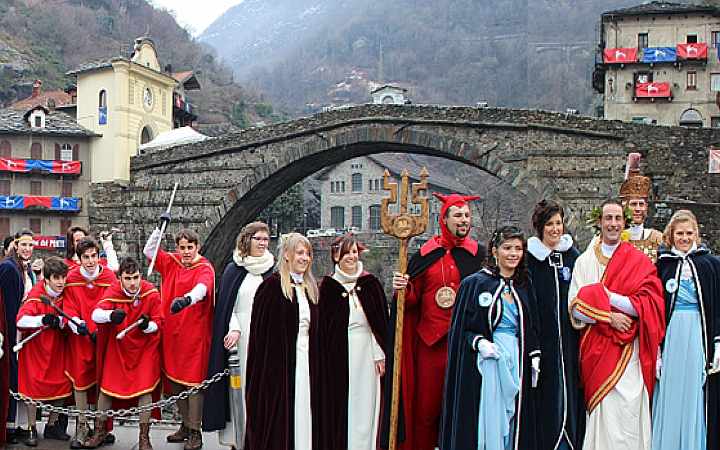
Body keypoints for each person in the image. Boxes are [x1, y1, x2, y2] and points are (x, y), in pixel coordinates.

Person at [383, 193, 486, 450]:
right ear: (444, 219)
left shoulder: (478, 256)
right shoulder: (426, 254)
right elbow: (412, 300)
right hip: (430, 345)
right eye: (458, 215)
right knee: (426, 409)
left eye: (467, 215)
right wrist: (403, 289)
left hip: (465, 345)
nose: (464, 220)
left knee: (463, 406)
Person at [568, 198, 665, 450]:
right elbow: (576, 309)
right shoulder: (584, 262)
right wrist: (609, 316)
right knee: (604, 409)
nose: (612, 223)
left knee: (630, 410)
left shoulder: (639, 261)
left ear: (624, 223)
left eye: (617, 218)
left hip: (630, 349)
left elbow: (648, 306)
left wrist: (607, 297)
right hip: (597, 349)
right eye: (608, 218)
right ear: (599, 222)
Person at [440, 225, 540, 450]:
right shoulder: (474, 284)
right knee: (490, 415)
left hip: (517, 357)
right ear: (495, 251)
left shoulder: (524, 284)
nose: (513, 254)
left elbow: (533, 325)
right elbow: (461, 329)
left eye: (518, 248)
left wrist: (534, 354)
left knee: (515, 414)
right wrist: (479, 342)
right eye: (507, 248)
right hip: (489, 361)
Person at [244, 233, 321, 450]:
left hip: (307, 364)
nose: (305, 258)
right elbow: (260, 339)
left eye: (308, 254)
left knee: (305, 415)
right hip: (279, 371)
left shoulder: (312, 289)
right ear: (287, 255)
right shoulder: (271, 289)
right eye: (300, 253)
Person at [652, 210, 720, 450]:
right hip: (671, 335)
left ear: (696, 234)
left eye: (689, 233)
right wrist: (656, 348)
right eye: (680, 233)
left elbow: (717, 304)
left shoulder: (710, 264)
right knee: (670, 388)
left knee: (693, 390)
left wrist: (717, 342)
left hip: (697, 334)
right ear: (671, 235)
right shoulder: (663, 266)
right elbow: (654, 307)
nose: (684, 238)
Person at [144, 221, 214, 450]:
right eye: (182, 247)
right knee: (176, 384)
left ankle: (196, 431)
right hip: (172, 335)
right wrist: (159, 229)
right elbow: (149, 252)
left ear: (197, 247)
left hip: (194, 336)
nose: (185, 252)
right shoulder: (172, 262)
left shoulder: (204, 268)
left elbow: (202, 289)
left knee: (193, 385)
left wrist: (187, 300)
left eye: (189, 248)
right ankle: (184, 424)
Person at [203, 222, 274, 445]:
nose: (263, 243)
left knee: (264, 386)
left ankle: (262, 434)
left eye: (265, 239)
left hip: (266, 336)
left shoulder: (272, 269)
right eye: (258, 239)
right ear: (247, 240)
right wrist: (234, 328)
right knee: (240, 386)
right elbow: (227, 307)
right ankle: (239, 437)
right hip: (241, 336)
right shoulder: (234, 270)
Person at [82, 257, 162, 450]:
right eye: (128, 278)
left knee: (145, 390)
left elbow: (159, 322)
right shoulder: (114, 291)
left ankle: (144, 436)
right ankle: (100, 431)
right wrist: (110, 315)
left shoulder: (150, 292)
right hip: (118, 350)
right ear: (120, 279)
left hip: (143, 350)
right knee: (107, 389)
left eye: (135, 277)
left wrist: (147, 326)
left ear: (140, 276)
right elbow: (95, 314)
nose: (133, 283)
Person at [318, 234, 389, 450]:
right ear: (336, 256)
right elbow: (323, 327)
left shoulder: (370, 284)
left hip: (367, 351)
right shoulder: (328, 287)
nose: (351, 257)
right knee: (343, 403)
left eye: (355, 252)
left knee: (367, 402)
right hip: (339, 352)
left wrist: (379, 353)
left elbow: (380, 325)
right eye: (347, 253)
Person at [526, 200, 584, 450]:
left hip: (571, 339)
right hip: (543, 340)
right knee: (546, 393)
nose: (555, 229)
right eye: (549, 224)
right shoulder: (529, 259)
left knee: (572, 390)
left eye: (558, 223)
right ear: (540, 227)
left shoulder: (572, 255)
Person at [63, 237, 117, 448]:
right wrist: (77, 324)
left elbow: (115, 302)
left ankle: (101, 427)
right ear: (79, 258)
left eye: (94, 256)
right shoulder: (72, 278)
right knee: (81, 382)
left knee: (104, 381)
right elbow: (68, 307)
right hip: (81, 337)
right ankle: (82, 426)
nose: (91, 261)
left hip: (104, 337)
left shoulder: (109, 276)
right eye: (86, 257)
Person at [15, 257, 73, 447]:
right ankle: (32, 427)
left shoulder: (65, 294)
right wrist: (43, 320)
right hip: (36, 350)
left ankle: (52, 425)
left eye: (63, 277)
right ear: (46, 279)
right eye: (56, 278)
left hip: (57, 347)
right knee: (32, 389)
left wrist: (64, 322)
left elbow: (71, 316)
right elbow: (20, 320)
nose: (61, 282)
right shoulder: (36, 295)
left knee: (62, 385)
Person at [0, 230, 34, 443]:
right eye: (23, 244)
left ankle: (16, 425)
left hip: (20, 331)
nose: (27, 249)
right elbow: (8, 307)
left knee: (18, 380)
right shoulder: (8, 268)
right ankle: (9, 427)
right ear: (15, 245)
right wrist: (12, 338)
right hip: (10, 332)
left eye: (31, 245)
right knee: (10, 378)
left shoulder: (22, 267)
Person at [619, 153, 663, 261]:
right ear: (625, 207)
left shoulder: (658, 239)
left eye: (641, 204)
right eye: (634, 204)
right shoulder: (614, 238)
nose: (638, 209)